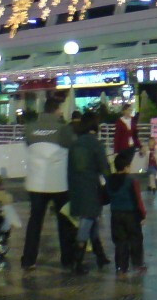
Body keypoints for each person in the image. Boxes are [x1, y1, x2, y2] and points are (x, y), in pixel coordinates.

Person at [20, 96, 78, 271]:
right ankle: (67, 259)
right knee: (64, 222)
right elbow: (73, 147)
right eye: (60, 110)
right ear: (56, 110)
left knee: (35, 221)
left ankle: (28, 259)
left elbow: (30, 145)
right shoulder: (63, 130)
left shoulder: (29, 129)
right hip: (59, 183)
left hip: (35, 183)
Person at [67, 111, 112, 274]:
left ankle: (100, 255)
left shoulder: (75, 143)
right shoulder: (95, 143)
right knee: (87, 221)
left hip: (76, 187)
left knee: (91, 219)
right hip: (91, 188)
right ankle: (77, 262)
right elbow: (104, 168)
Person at [107, 148, 148, 275]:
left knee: (120, 241)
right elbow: (137, 199)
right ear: (126, 167)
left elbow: (105, 197)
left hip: (115, 214)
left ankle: (121, 267)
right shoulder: (131, 181)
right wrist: (142, 215)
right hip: (131, 214)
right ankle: (137, 264)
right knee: (135, 239)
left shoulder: (110, 181)